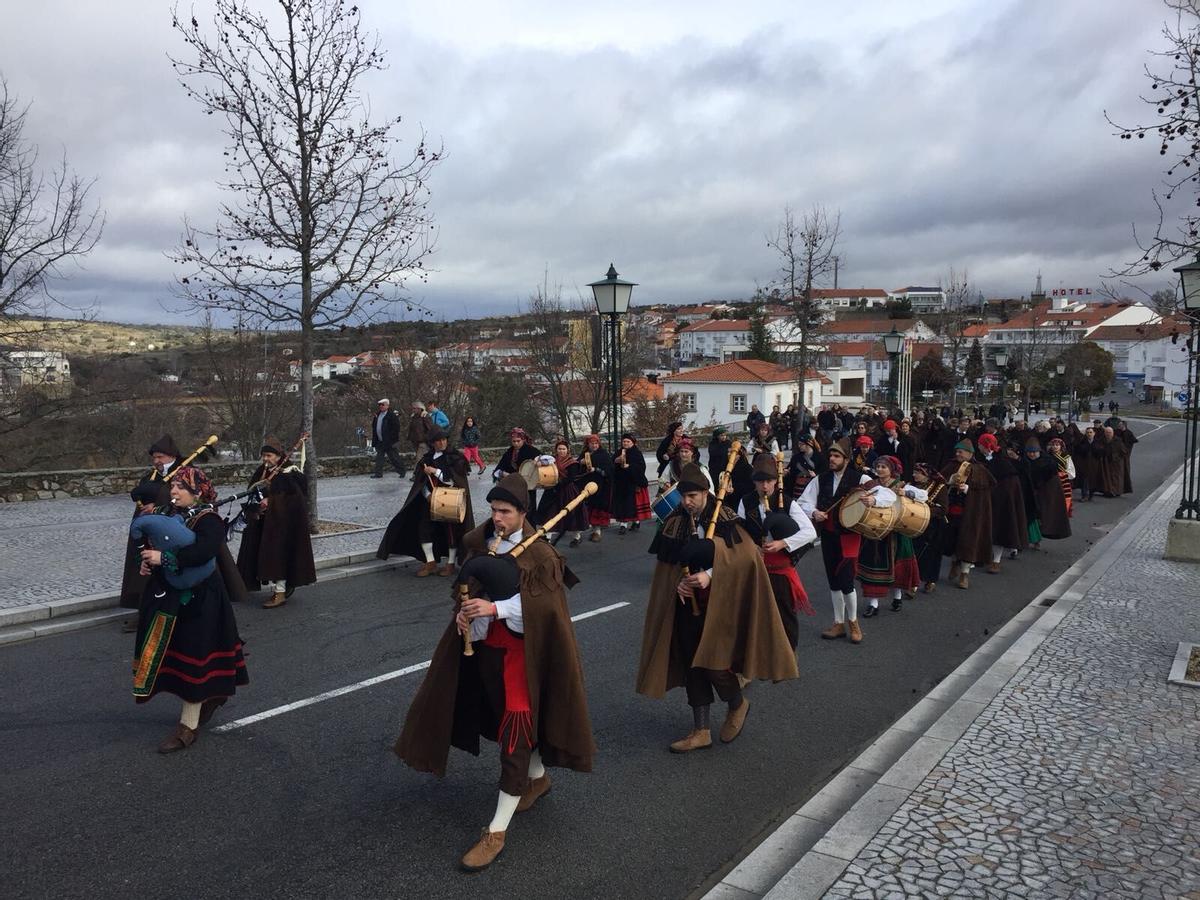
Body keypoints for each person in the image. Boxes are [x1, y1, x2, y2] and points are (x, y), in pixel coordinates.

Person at [394, 473, 595, 871]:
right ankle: (537, 778)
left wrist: (496, 609)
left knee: (515, 734)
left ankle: (496, 831)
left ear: (523, 513)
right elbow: (469, 588)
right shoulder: (481, 543)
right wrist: (467, 614)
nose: (498, 518)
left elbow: (545, 611)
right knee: (503, 721)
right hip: (487, 653)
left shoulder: (541, 555)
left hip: (526, 656)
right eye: (494, 510)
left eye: (506, 512)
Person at [636, 463, 798, 752]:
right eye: (684, 495)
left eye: (693, 496)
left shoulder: (725, 517)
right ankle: (701, 730)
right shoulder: (675, 522)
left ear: (706, 493)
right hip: (687, 604)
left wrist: (708, 574)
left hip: (722, 602)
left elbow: (747, 558)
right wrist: (679, 583)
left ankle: (737, 703)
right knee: (692, 664)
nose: (687, 502)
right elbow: (667, 566)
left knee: (713, 661)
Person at [132, 466, 248, 753]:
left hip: (202, 600)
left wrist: (165, 558)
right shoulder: (169, 514)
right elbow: (155, 541)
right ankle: (210, 698)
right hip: (171, 597)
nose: (173, 491)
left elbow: (202, 553)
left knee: (195, 658)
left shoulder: (209, 520)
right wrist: (147, 560)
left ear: (197, 492)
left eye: (180, 487)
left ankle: (188, 726)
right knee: (178, 655)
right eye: (173, 486)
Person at [798, 438, 896, 644]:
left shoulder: (859, 479)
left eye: (836, 456)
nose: (832, 459)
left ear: (846, 458)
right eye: (831, 456)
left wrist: (874, 499)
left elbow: (888, 495)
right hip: (829, 535)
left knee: (846, 581)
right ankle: (838, 623)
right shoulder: (821, 479)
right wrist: (814, 512)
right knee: (833, 581)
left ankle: (853, 622)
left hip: (849, 537)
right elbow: (803, 502)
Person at [737, 454, 818, 648]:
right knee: (757, 613)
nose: (765, 486)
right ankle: (762, 656)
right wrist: (751, 547)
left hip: (781, 565)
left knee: (785, 614)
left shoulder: (787, 502)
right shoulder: (745, 502)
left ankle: (789, 655)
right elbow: (740, 532)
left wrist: (783, 543)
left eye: (769, 481)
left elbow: (810, 532)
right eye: (760, 481)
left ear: (776, 480)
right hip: (756, 564)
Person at [377, 428, 475, 577]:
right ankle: (430, 563)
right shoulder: (426, 459)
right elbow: (420, 483)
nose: (442, 443)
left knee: (451, 532)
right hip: (429, 501)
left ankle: (450, 564)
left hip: (449, 500)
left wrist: (435, 472)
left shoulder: (456, 458)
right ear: (433, 443)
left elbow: (454, 480)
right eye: (438, 440)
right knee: (424, 529)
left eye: (444, 440)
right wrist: (428, 495)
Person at [235, 436, 316, 608]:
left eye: (269, 456)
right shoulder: (262, 471)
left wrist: (272, 502)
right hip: (263, 522)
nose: (266, 459)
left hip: (281, 525)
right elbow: (253, 490)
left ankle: (280, 592)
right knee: (260, 553)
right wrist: (257, 503)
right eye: (264, 455)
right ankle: (249, 583)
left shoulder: (289, 473)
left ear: (279, 456)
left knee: (279, 555)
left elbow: (295, 499)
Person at [120, 434, 183, 632]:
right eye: (154, 457)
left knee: (169, 569)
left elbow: (187, 498)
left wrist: (158, 505)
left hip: (172, 530)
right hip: (148, 532)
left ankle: (174, 611)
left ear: (171, 456)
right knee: (145, 570)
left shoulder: (185, 473)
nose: (156, 461)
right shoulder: (151, 476)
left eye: (160, 457)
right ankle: (145, 611)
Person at [858, 456, 923, 616]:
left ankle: (897, 597)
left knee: (898, 566)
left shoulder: (901, 485)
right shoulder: (871, 485)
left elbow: (924, 495)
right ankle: (873, 604)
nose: (880, 469)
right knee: (875, 566)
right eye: (878, 466)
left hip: (897, 532)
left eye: (883, 467)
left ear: (892, 470)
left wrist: (906, 492)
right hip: (876, 531)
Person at [939, 440, 995, 590]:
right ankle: (954, 562)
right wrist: (949, 481)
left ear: (970, 454)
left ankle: (964, 573)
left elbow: (987, 488)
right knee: (953, 539)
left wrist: (968, 489)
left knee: (968, 541)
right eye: (956, 451)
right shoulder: (951, 465)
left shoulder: (980, 469)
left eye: (960, 452)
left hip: (971, 512)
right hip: (952, 510)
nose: (957, 454)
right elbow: (939, 481)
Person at [978, 433, 1027, 571]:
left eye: (980, 444)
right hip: (989, 496)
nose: (978, 447)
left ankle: (996, 560)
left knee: (999, 528)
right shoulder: (985, 458)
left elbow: (1006, 481)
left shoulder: (1002, 460)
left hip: (1002, 498)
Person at [535, 440, 589, 547]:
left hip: (567, 490)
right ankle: (548, 537)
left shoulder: (572, 463)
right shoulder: (552, 461)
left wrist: (558, 482)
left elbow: (571, 478)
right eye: (559, 449)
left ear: (567, 450)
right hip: (552, 490)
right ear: (556, 450)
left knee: (572, 514)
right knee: (550, 513)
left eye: (563, 449)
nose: (561, 451)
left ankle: (576, 536)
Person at [1017, 438, 1071, 543]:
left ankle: (1037, 538)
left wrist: (1040, 486)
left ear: (1039, 452)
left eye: (1034, 452)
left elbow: (1052, 483)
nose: (1031, 455)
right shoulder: (1024, 462)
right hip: (1028, 494)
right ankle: (1029, 538)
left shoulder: (1048, 463)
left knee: (1041, 516)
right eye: (1029, 452)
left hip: (1043, 494)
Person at [909, 464, 947, 593]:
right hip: (915, 523)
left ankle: (930, 580)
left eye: (917, 473)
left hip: (934, 526)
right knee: (915, 553)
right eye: (914, 472)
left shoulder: (939, 488)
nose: (914, 475)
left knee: (931, 555)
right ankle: (913, 582)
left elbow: (943, 508)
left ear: (926, 475)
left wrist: (923, 510)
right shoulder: (911, 486)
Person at [492, 427, 540, 512]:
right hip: (514, 486)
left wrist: (539, 462)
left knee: (529, 508)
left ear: (523, 440)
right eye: (514, 441)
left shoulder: (531, 450)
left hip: (528, 486)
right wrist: (502, 473)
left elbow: (546, 458)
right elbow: (498, 469)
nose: (516, 443)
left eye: (518, 441)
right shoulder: (509, 452)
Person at [612, 434, 652, 534]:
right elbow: (611, 465)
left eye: (628, 442)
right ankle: (623, 525)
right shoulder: (618, 452)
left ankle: (636, 521)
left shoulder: (637, 453)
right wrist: (615, 461)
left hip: (633, 483)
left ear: (633, 443)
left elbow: (641, 467)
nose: (625, 443)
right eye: (624, 441)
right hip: (621, 483)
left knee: (632, 505)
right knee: (622, 505)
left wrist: (629, 466)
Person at [579, 434, 614, 543]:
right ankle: (587, 531)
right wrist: (581, 463)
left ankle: (597, 531)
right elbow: (577, 468)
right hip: (587, 484)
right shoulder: (584, 454)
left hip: (600, 485)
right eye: (591, 443)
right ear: (588, 444)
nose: (594, 445)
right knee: (588, 507)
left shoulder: (604, 455)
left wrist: (596, 469)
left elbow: (609, 471)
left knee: (597, 509)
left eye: (596, 443)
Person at [371, 399, 406, 478]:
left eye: (383, 405)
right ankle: (378, 474)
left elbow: (396, 428)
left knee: (394, 458)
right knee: (379, 458)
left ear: (387, 405)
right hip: (380, 441)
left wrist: (392, 439)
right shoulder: (377, 414)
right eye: (380, 405)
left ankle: (402, 471)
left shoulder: (392, 415)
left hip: (389, 441)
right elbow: (374, 426)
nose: (381, 406)